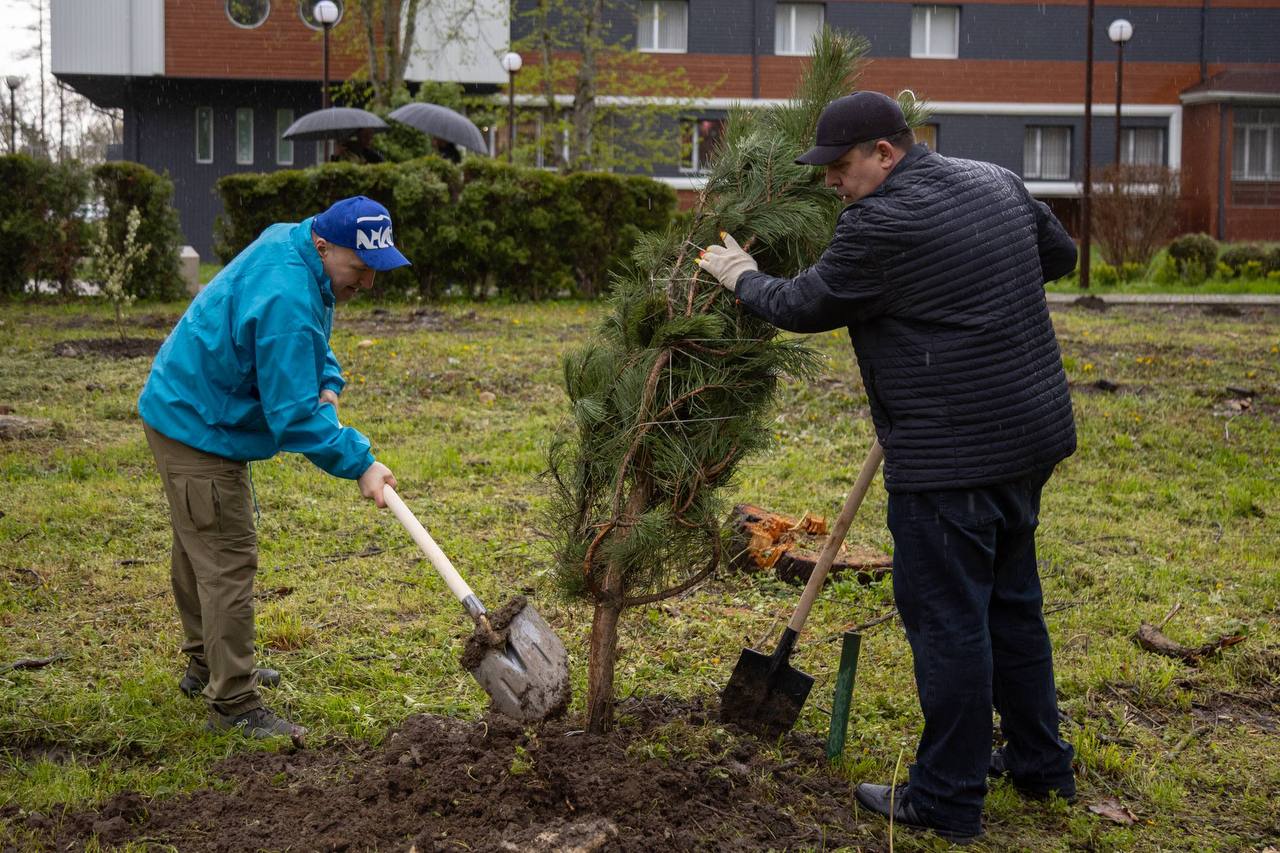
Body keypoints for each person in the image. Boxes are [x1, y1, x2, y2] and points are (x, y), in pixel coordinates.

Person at [697, 91, 1078, 844]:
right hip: (1028, 436)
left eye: (840, 167)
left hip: (949, 458)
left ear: (885, 153)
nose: (832, 183)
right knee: (1011, 604)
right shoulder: (995, 179)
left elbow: (804, 305)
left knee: (949, 622)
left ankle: (947, 797)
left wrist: (740, 275)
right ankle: (1041, 764)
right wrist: (972, 285)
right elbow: (1059, 256)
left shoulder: (880, 223)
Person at [138, 196, 409, 741]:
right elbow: (292, 416)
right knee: (225, 558)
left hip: (184, 405)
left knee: (199, 546)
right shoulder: (288, 292)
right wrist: (361, 463)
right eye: (360, 268)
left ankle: (208, 664)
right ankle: (234, 703)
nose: (368, 282)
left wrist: (328, 381)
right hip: (198, 421)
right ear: (324, 245)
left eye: (376, 269)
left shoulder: (297, 246)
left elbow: (308, 338)